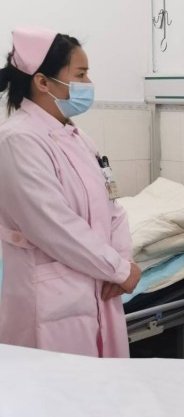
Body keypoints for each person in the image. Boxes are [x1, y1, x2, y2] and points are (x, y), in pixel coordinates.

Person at [0, 27, 141, 357]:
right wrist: (118, 269)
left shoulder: (78, 138)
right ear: (43, 82)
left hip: (101, 286)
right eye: (80, 74)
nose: (88, 83)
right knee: (57, 384)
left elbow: (113, 207)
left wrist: (123, 261)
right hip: (52, 297)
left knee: (102, 381)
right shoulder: (17, 140)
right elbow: (53, 224)